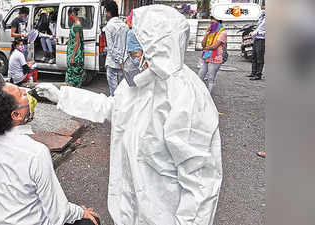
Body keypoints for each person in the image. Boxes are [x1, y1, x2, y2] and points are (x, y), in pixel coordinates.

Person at [36, 5, 222, 225]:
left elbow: (200, 183)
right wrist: (62, 97)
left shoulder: (185, 97)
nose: (131, 59)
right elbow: (112, 107)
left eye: (135, 53)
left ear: (157, 50)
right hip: (132, 210)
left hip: (165, 214)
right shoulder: (140, 83)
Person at [0, 82, 100, 225]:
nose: (26, 92)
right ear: (16, 114)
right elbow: (58, 212)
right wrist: (80, 212)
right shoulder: (36, 153)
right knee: (91, 221)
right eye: (22, 94)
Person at [103, 1, 128, 96]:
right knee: (121, 91)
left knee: (113, 91)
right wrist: (122, 61)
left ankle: (115, 109)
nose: (105, 14)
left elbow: (111, 48)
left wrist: (118, 60)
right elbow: (126, 46)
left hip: (112, 63)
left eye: (105, 12)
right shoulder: (124, 26)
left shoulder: (109, 26)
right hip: (123, 64)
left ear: (109, 13)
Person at [198, 16, 227, 94]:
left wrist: (205, 48)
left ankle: (209, 96)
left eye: (213, 23)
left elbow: (214, 47)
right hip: (206, 57)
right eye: (210, 23)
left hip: (215, 58)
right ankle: (198, 94)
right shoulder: (210, 32)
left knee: (211, 78)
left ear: (219, 22)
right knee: (200, 76)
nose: (211, 25)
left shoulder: (223, 33)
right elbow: (203, 45)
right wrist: (206, 35)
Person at [65, 8, 84, 88]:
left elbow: (77, 42)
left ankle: (73, 93)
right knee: (72, 75)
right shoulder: (76, 24)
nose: (69, 18)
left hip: (75, 55)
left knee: (73, 76)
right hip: (74, 53)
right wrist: (69, 40)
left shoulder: (76, 25)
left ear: (72, 14)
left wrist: (72, 57)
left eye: (69, 16)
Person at [248, 2, 266, 80]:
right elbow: (258, 27)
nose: (263, 8)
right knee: (254, 56)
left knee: (259, 57)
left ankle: (258, 74)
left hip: (262, 39)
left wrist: (257, 32)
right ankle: (253, 72)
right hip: (256, 38)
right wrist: (253, 31)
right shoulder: (262, 17)